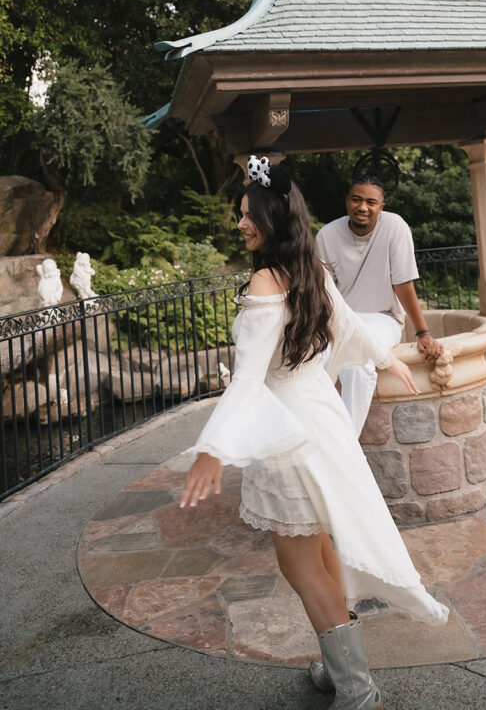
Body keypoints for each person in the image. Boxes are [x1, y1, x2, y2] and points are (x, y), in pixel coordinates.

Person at [180, 156, 448, 710]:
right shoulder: (311, 270)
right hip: (321, 421)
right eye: (239, 216)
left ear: (272, 218)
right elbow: (349, 326)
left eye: (247, 215)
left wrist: (213, 449)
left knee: (302, 564)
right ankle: (338, 671)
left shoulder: (264, 279)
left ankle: (357, 690)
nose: (240, 225)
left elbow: (249, 379)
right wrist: (387, 358)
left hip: (289, 435)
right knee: (322, 554)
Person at [316, 175, 444, 433]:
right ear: (347, 202)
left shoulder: (394, 227)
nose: (363, 207)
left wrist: (423, 333)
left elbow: (402, 283)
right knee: (314, 358)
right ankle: (312, 434)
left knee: (359, 362)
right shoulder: (327, 235)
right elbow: (323, 293)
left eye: (371, 202)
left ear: (381, 207)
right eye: (356, 199)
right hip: (342, 318)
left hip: (383, 317)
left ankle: (346, 442)